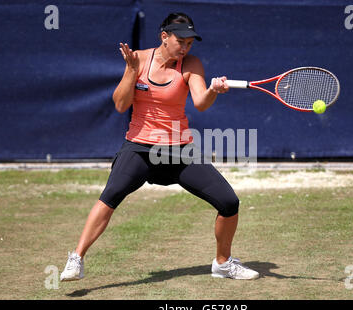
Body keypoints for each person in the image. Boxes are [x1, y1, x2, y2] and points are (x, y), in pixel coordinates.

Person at [60, 12, 259, 281]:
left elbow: (200, 102)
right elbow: (120, 104)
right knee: (110, 196)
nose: (186, 48)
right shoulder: (138, 60)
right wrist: (131, 71)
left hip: (179, 150)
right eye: (181, 41)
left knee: (229, 202)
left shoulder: (191, 65)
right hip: (140, 148)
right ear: (164, 37)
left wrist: (213, 90)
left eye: (190, 43)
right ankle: (77, 259)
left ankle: (222, 264)